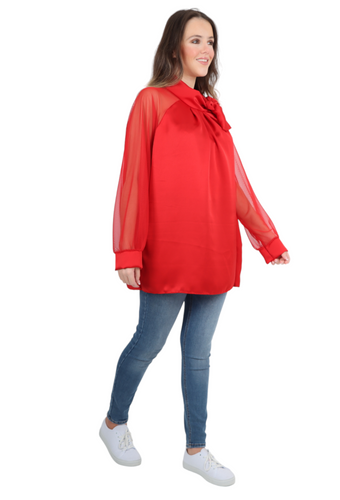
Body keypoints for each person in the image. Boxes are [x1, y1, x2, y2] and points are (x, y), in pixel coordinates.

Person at [99, 8, 290, 487]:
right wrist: (128, 251)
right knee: (149, 342)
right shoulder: (151, 101)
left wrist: (268, 239)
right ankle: (114, 424)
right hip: (167, 247)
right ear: (175, 47)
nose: (206, 50)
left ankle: (196, 449)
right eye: (196, 40)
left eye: (211, 41)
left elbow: (236, 184)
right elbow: (133, 177)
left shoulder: (211, 108)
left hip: (215, 247)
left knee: (199, 354)